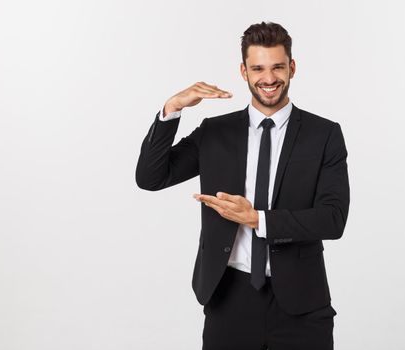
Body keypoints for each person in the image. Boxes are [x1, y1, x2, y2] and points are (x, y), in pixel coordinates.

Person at [135, 21, 350, 350]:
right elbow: (151, 177)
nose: (269, 78)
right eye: (258, 68)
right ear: (244, 71)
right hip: (229, 298)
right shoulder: (216, 132)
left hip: (301, 303)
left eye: (278, 67)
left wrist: (258, 219)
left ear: (292, 67)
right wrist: (172, 109)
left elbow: (333, 218)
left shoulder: (324, 135)